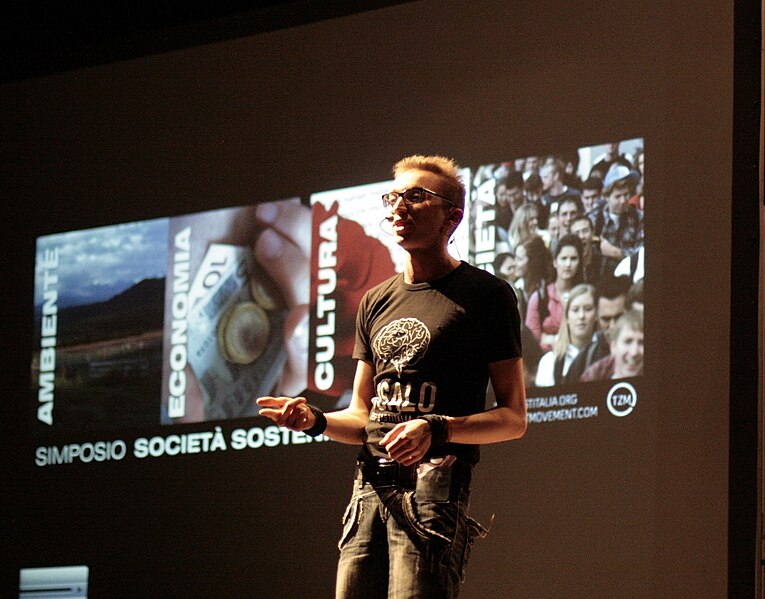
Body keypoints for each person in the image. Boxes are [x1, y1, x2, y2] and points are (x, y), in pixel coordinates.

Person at [257, 155, 527, 598]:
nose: (399, 206)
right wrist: (316, 421)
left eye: (416, 197)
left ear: (451, 217)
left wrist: (437, 428)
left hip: (432, 493)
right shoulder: (375, 301)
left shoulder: (486, 296)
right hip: (368, 493)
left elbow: (514, 419)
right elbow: (363, 415)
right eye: (394, 196)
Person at [564, 275, 630, 383]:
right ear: (597, 317)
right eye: (606, 319)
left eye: (619, 317)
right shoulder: (583, 361)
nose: (612, 326)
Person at [525, 233, 584, 351]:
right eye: (563, 258)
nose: (568, 264)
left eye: (573, 259)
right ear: (555, 262)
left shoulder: (584, 295)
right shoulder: (540, 297)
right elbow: (532, 341)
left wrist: (550, 338)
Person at [534, 283, 597, 387]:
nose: (581, 316)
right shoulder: (549, 362)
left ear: (596, 315)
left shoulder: (606, 355)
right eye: (575, 310)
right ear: (567, 317)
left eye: (588, 309)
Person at [580, 309, 644, 381]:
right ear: (613, 347)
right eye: (628, 342)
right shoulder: (593, 376)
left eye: (642, 343)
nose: (634, 352)